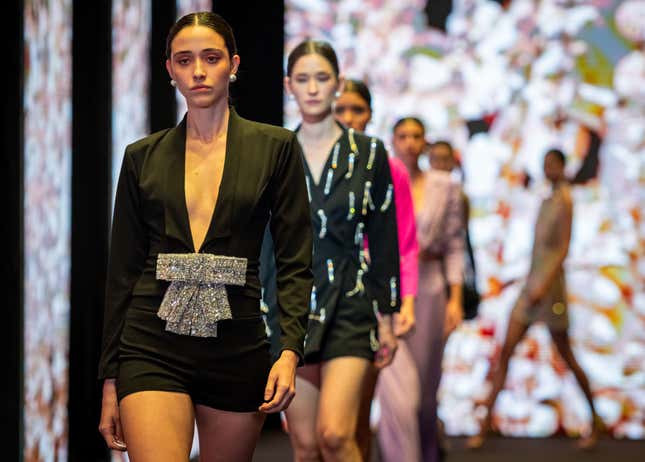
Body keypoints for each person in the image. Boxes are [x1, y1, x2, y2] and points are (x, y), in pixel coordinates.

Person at [97, 12, 313, 462]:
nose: (198, 70)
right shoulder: (142, 158)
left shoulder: (275, 148)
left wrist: (290, 350)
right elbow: (122, 272)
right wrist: (111, 379)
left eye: (210, 58)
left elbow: (295, 260)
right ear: (170, 70)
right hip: (150, 343)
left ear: (232, 65)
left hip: (237, 344)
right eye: (184, 59)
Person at [282, 41, 401, 462]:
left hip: (352, 302)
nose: (312, 88)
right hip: (292, 307)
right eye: (302, 79)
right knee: (306, 446)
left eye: (322, 78)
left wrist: (388, 314)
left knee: (335, 435)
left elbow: (384, 235)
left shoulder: (369, 153)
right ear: (288, 86)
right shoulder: (275, 152)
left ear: (339, 83)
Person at [467, 148, 603, 450]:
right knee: (506, 351)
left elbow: (561, 249)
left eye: (553, 164)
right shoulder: (548, 198)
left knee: (565, 354)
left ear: (563, 167)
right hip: (533, 286)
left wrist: (541, 286)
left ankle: (596, 420)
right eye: (545, 165)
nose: (548, 170)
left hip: (548, 290)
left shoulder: (564, 200)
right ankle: (485, 423)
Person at [335, 79, 419, 462]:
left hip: (367, 300)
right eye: (341, 110)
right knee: (312, 433)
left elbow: (405, 243)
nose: (349, 118)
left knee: (353, 417)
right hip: (318, 298)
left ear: (370, 114)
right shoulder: (304, 160)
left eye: (357, 110)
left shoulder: (389, 167)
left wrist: (405, 302)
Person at [393, 120, 465, 462]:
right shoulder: (381, 180)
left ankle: (428, 452)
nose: (409, 143)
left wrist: (456, 299)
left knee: (425, 385)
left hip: (430, 285)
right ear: (393, 140)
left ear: (425, 142)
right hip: (389, 287)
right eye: (403, 136)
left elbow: (454, 243)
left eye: (416, 136)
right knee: (395, 389)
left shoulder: (444, 184)